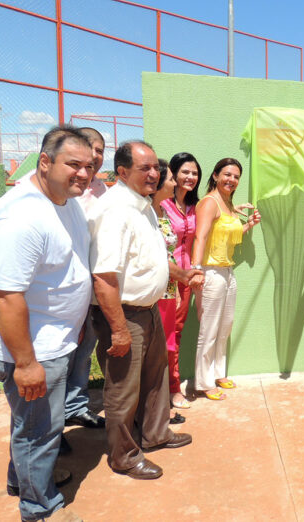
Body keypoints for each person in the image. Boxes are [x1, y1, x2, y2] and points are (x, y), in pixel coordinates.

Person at [0, 126, 93, 521]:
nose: (84, 173)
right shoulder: (21, 216)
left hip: (53, 342)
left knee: (32, 427)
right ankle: (39, 507)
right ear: (45, 162)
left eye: (90, 166)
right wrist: (26, 364)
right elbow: (7, 298)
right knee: (40, 434)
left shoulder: (64, 200)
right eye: (73, 164)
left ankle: (23, 481)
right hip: (32, 351)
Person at [89, 141, 195, 480]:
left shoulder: (143, 205)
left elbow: (150, 257)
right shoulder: (114, 210)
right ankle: (124, 456)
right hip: (124, 314)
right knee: (123, 388)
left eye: (155, 168)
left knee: (155, 377)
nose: (155, 174)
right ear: (122, 172)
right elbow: (104, 276)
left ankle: (155, 433)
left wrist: (180, 274)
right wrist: (118, 329)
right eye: (144, 168)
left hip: (147, 309)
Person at [190, 158, 261, 400]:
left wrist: (248, 224)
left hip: (227, 272)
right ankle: (203, 381)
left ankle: (218, 373)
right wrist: (196, 270)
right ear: (216, 175)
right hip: (210, 272)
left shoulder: (227, 203)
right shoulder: (209, 203)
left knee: (225, 326)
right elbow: (200, 237)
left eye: (236, 176)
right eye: (227, 174)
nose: (232, 180)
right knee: (208, 330)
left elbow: (229, 235)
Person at [62, 127, 107, 437]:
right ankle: (52, 422)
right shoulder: (64, 190)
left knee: (86, 347)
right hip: (64, 287)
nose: (95, 154)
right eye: (91, 147)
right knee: (61, 352)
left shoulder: (103, 190)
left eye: (101, 149)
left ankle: (75, 406)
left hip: (93, 285)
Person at [161, 152, 202, 409]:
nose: (190, 177)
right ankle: (171, 388)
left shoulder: (193, 207)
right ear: (173, 174)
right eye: (185, 172)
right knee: (167, 336)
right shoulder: (161, 204)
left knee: (177, 332)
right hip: (167, 279)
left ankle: (170, 385)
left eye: (195, 173)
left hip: (187, 280)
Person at [151, 159, 187, 425]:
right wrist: (185, 275)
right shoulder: (146, 213)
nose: (175, 183)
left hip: (167, 291)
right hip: (153, 293)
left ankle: (160, 406)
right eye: (172, 179)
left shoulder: (162, 210)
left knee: (166, 347)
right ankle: (156, 410)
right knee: (157, 350)